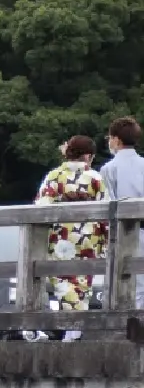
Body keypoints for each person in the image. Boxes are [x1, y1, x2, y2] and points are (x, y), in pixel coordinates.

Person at [35, 135, 108, 317]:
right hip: (88, 240)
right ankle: (75, 325)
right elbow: (107, 212)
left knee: (63, 281)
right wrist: (106, 241)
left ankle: (73, 323)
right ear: (88, 156)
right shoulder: (95, 178)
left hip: (62, 238)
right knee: (83, 283)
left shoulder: (55, 176)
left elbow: (40, 207)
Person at [104, 117, 144, 310]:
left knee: (123, 283)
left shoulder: (109, 169)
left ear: (117, 140)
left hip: (122, 232)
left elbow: (108, 204)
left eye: (110, 138)